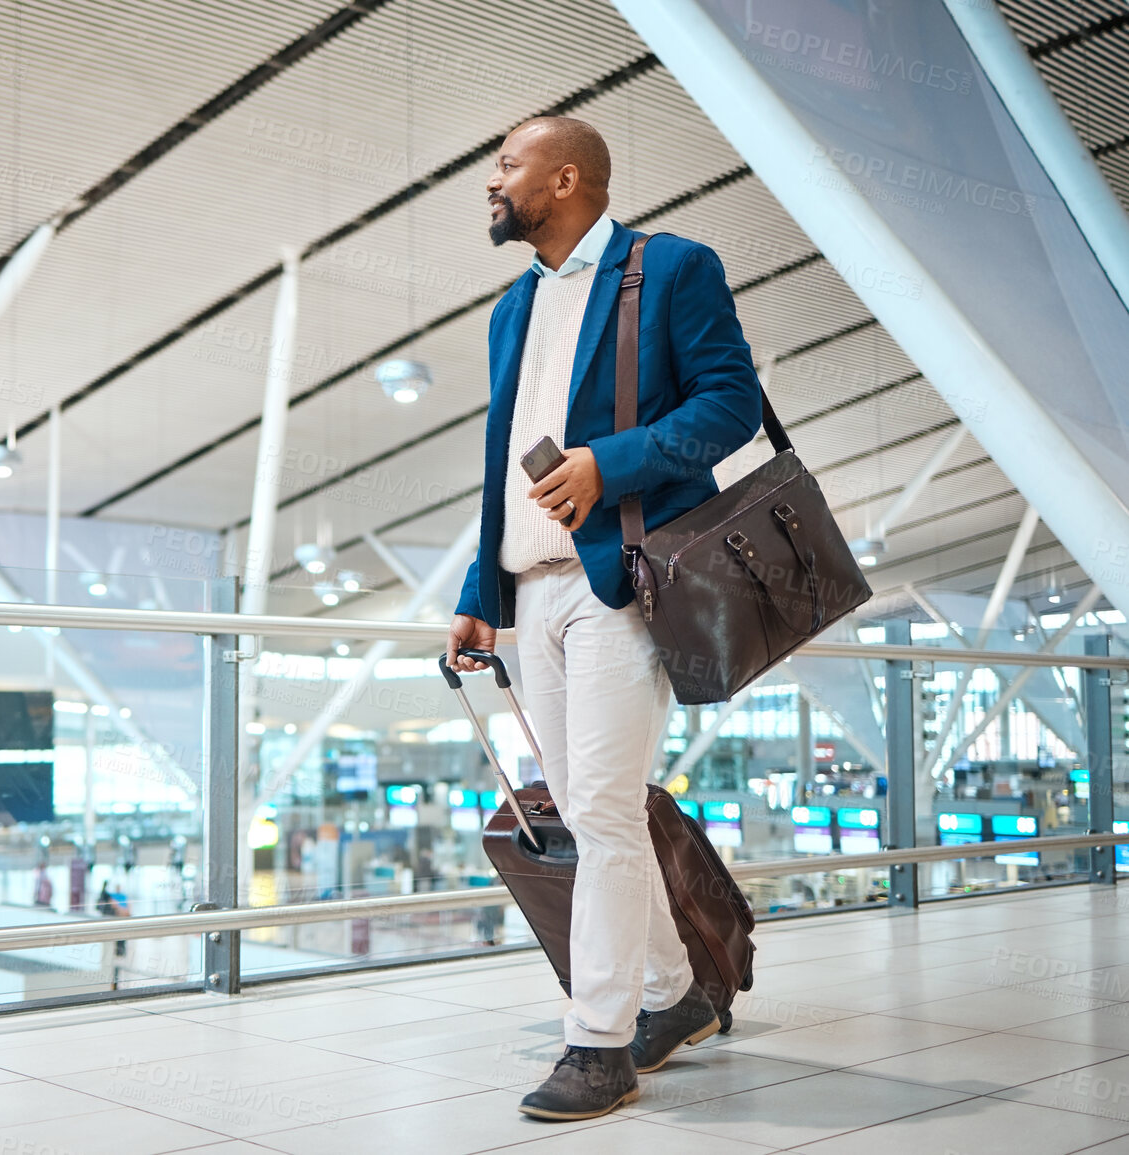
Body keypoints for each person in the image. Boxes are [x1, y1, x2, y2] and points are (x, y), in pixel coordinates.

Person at [447, 116, 761, 1122]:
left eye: (508, 166)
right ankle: (677, 997)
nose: (492, 181)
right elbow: (502, 468)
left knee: (608, 813)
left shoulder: (668, 270)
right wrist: (477, 598)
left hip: (624, 578)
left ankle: (600, 1043)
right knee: (587, 813)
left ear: (567, 177)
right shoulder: (511, 309)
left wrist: (608, 463)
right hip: (530, 589)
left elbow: (731, 405)